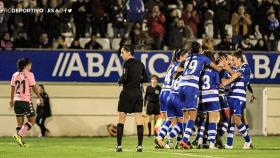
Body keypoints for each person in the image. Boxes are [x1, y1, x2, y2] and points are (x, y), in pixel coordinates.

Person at [178, 42, 225, 149]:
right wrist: (222, 65)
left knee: (185, 115)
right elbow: (217, 69)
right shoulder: (203, 58)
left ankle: (185, 140)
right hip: (191, 86)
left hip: (182, 86)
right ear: (199, 49)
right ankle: (185, 140)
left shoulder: (188, 59)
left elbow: (180, 70)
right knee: (193, 115)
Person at [116, 44, 148, 152]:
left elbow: (125, 77)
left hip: (127, 93)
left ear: (129, 52)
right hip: (137, 93)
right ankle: (139, 146)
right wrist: (137, 80)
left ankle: (119, 146)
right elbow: (146, 78)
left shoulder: (126, 64)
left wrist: (120, 81)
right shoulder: (140, 64)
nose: (121, 55)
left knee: (121, 120)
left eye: (122, 52)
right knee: (139, 120)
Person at [154, 49, 184, 148]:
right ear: (180, 57)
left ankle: (164, 140)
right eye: (186, 56)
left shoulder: (171, 65)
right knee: (175, 121)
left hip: (163, 92)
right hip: (169, 93)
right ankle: (163, 138)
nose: (187, 57)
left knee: (169, 120)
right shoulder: (178, 66)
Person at [10, 58, 43, 147]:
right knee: (32, 120)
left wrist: (11, 100)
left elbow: (13, 88)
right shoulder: (29, 74)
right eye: (30, 65)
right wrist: (39, 96)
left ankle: (20, 142)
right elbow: (34, 87)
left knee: (19, 123)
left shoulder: (15, 75)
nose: (31, 67)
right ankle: (19, 135)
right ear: (26, 65)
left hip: (17, 101)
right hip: (26, 101)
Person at [224, 50, 253, 150]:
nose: (233, 61)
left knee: (237, 119)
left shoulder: (245, 67)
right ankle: (229, 144)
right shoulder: (237, 67)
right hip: (232, 96)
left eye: (234, 60)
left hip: (238, 97)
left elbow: (235, 75)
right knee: (231, 120)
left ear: (239, 59)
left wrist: (226, 66)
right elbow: (232, 72)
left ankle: (248, 140)